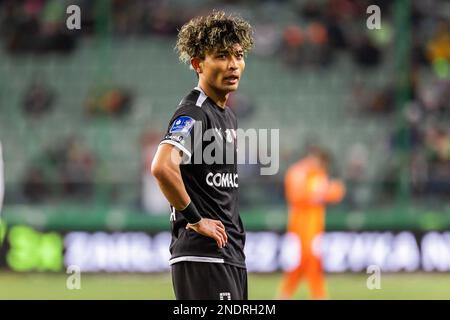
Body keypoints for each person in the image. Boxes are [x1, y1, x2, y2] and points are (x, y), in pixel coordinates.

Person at [151, 10, 253, 300]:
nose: (233, 65)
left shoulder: (227, 116)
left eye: (238, 54)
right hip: (203, 257)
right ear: (198, 64)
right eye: (221, 56)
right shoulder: (194, 112)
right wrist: (195, 219)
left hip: (228, 255)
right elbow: (162, 167)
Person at [278, 146, 345, 300]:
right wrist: (324, 192)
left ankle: (291, 295)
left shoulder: (318, 173)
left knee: (311, 261)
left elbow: (334, 193)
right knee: (303, 260)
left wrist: (327, 192)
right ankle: (314, 295)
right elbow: (296, 196)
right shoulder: (297, 172)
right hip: (299, 227)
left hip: (314, 227)